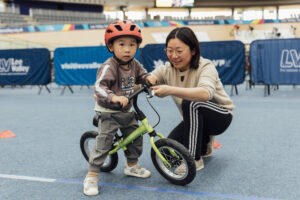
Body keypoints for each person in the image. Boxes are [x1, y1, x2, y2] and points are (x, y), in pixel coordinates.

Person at [83, 20, 156, 196]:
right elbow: (99, 87)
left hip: (127, 110)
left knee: (135, 137)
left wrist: (149, 79)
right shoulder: (109, 66)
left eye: (132, 45)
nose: (127, 49)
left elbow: (142, 75)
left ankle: (131, 165)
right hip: (108, 112)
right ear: (111, 46)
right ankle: (92, 175)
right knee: (104, 142)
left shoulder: (135, 64)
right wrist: (113, 97)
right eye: (121, 44)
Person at [149, 27, 234, 173]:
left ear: (193, 50)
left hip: (221, 117)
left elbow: (205, 94)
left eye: (179, 51)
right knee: (167, 154)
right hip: (193, 119)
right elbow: (149, 78)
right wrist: (146, 80)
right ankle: (203, 143)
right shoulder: (166, 69)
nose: (174, 56)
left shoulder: (206, 66)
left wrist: (169, 89)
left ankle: (194, 159)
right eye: (169, 50)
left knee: (191, 103)